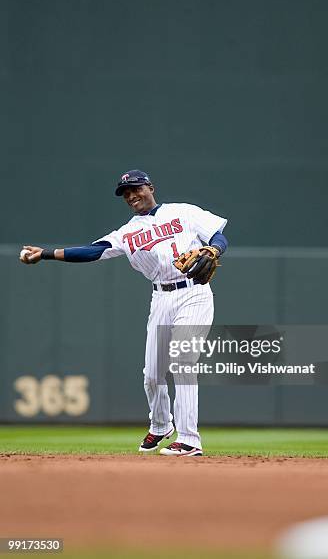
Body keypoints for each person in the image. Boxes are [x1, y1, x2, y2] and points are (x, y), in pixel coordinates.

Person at [21, 169, 228, 457]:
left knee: (183, 361)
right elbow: (92, 251)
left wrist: (214, 251)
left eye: (136, 188)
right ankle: (160, 426)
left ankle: (190, 439)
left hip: (194, 293)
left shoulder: (182, 212)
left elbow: (218, 236)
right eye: (126, 193)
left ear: (150, 187)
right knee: (152, 375)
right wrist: (45, 253)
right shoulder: (127, 233)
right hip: (161, 298)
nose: (132, 195)